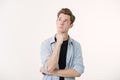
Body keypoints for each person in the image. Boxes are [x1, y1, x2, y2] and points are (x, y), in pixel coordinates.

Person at [40, 8, 84, 80]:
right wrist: (58, 43)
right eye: (59, 19)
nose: (61, 23)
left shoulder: (76, 45)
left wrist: (51, 72)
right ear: (56, 21)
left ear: (71, 25)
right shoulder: (46, 44)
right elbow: (50, 67)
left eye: (65, 21)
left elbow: (78, 71)